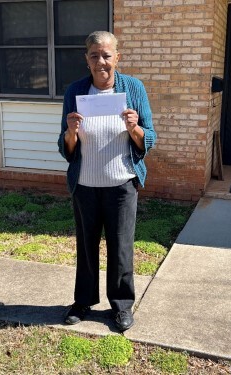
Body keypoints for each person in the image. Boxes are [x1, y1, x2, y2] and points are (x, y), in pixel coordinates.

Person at [58, 31, 156, 331]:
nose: (101, 61)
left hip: (121, 186)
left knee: (121, 247)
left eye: (106, 55)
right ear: (86, 60)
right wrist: (71, 132)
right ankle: (84, 301)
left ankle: (122, 305)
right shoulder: (75, 91)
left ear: (117, 57)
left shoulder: (133, 88)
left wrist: (135, 128)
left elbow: (149, 139)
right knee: (87, 248)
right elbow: (66, 148)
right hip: (85, 186)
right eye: (94, 56)